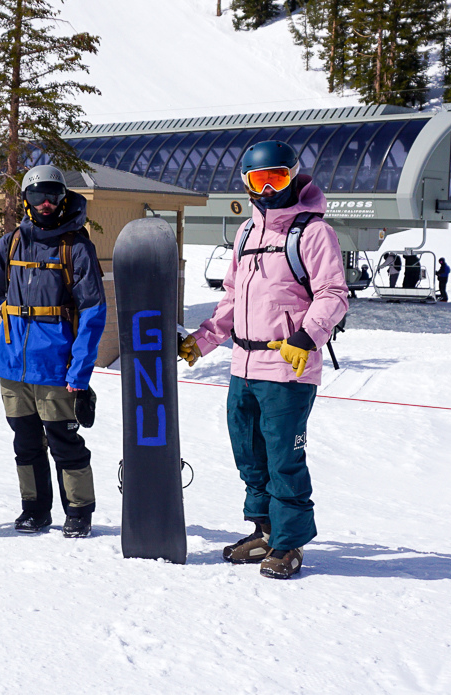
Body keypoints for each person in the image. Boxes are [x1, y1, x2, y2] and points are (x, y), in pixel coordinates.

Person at [178, 141, 348, 579]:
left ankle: (289, 544)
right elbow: (233, 298)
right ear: (247, 184)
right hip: (243, 366)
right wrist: (204, 339)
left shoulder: (313, 233)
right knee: (249, 454)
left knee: (283, 458)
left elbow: (333, 294)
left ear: (294, 177)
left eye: (278, 178)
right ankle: (264, 530)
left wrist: (306, 337)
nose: (270, 189)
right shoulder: (246, 233)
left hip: (288, 367)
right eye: (260, 180)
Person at [0, 165, 107, 538]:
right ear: (26, 200)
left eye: (53, 195)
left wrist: (79, 374)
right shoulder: (12, 243)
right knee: (26, 443)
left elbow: (94, 313)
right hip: (12, 363)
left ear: (64, 198)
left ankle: (79, 511)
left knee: (64, 441)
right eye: (37, 196)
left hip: (55, 367)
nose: (46, 203)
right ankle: (34, 509)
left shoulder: (76, 247)